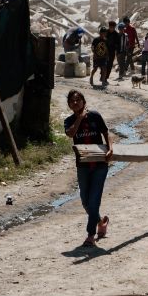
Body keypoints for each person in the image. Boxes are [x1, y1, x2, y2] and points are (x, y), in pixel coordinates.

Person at [64, 90, 113, 246]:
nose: (75, 103)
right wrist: (79, 118)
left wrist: (110, 148)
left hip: (100, 164)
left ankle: (90, 235)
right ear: (69, 105)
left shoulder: (95, 116)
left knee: (94, 201)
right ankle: (100, 222)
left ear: (84, 101)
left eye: (78, 100)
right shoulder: (69, 121)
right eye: (72, 101)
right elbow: (71, 134)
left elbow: (106, 132)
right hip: (83, 166)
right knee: (85, 200)